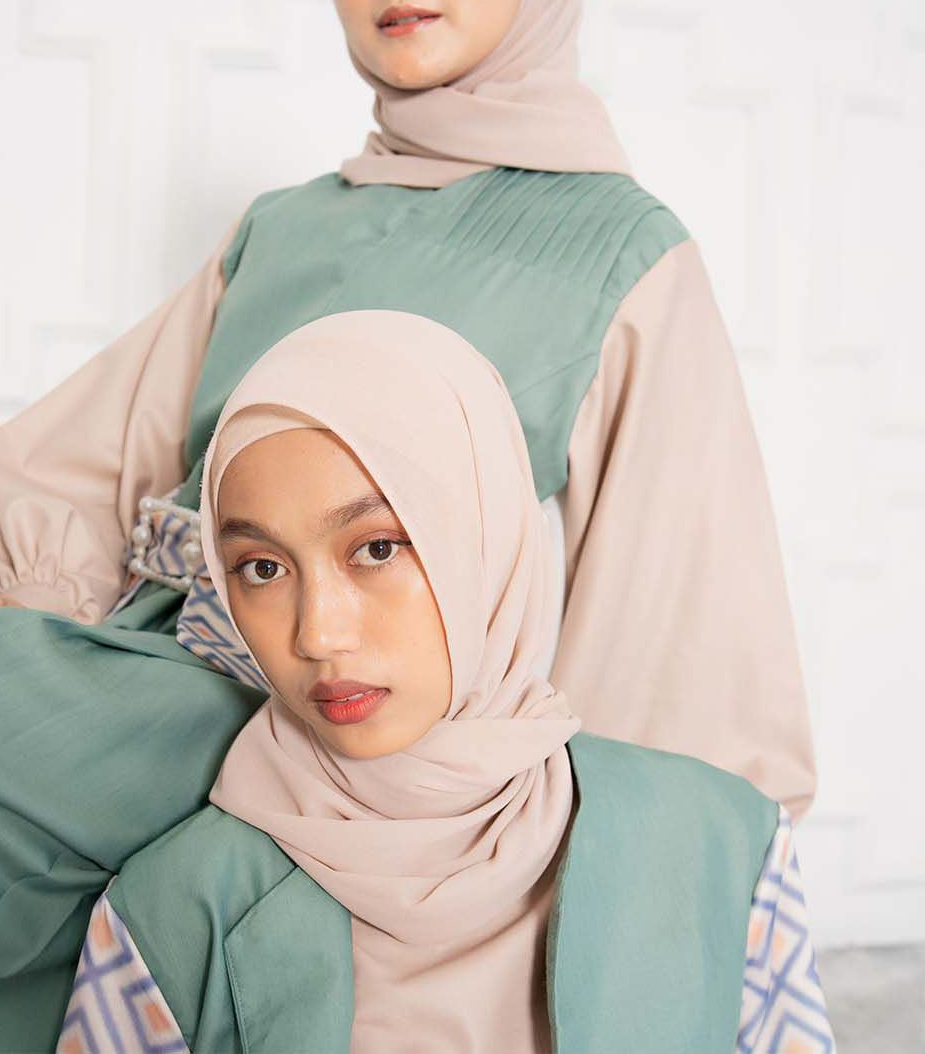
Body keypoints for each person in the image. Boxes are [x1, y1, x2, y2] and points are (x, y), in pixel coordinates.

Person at [0, 0, 816, 819]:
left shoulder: (622, 252)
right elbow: (86, 458)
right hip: (129, 677)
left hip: (331, 754)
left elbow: (677, 627)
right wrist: (12, 613)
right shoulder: (284, 227)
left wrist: (579, 847)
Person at [57, 311, 833, 1054]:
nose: (317, 634)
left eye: (377, 548)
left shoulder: (727, 847)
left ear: (486, 539)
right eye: (262, 568)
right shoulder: (174, 913)